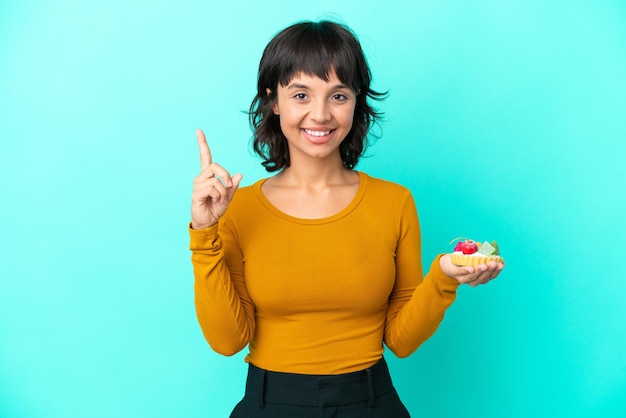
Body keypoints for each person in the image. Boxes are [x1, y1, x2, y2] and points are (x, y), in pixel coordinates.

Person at [189, 20, 504, 417]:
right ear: (273, 100)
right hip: (271, 403)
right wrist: (205, 232)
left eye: (337, 95)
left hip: (371, 402)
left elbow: (401, 341)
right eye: (301, 94)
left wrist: (443, 276)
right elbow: (228, 340)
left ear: (356, 101)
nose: (320, 115)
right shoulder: (239, 209)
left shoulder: (395, 203)